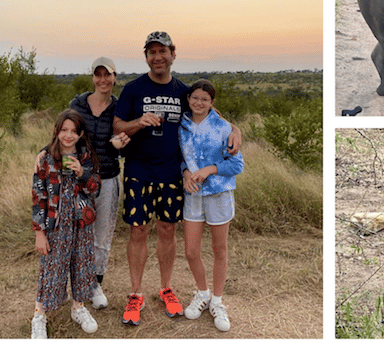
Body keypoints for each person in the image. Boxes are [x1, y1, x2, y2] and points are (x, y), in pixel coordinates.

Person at [113, 31, 242, 326]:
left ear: (173, 54)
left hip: (172, 173)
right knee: (138, 232)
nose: (157, 57)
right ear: (146, 56)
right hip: (138, 171)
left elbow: (210, 112)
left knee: (167, 231)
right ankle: (135, 294)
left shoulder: (182, 91)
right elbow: (118, 124)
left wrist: (236, 130)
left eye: (163, 51)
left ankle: (166, 288)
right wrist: (138, 122)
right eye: (152, 52)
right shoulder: (133, 89)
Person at [35, 57, 131, 310]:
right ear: (92, 77)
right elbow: (64, 133)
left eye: (107, 75)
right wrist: (45, 150)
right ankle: (68, 287)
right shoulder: (77, 104)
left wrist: (123, 143)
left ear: (114, 77)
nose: (103, 80)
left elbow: (125, 140)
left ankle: (93, 284)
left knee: (101, 236)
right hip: (76, 181)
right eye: (98, 75)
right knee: (74, 236)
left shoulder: (120, 108)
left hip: (107, 177)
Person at [179, 79, 244, 332]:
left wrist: (210, 169)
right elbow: (178, 158)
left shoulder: (223, 127)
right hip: (193, 195)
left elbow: (237, 165)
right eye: (195, 98)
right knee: (191, 251)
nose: (198, 103)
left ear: (212, 103)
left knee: (220, 250)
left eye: (204, 99)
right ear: (189, 99)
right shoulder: (181, 125)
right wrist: (185, 172)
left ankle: (217, 301)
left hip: (219, 195)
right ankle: (202, 293)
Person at [30, 109, 101, 338]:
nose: (68, 135)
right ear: (57, 132)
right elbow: (38, 196)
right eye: (64, 130)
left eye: (73, 131)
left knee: (81, 265)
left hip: (81, 224)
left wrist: (83, 173)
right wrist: (39, 232)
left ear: (81, 134)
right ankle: (39, 315)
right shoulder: (46, 158)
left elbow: (94, 188)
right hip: (55, 226)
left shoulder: (86, 156)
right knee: (52, 267)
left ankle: (78, 307)